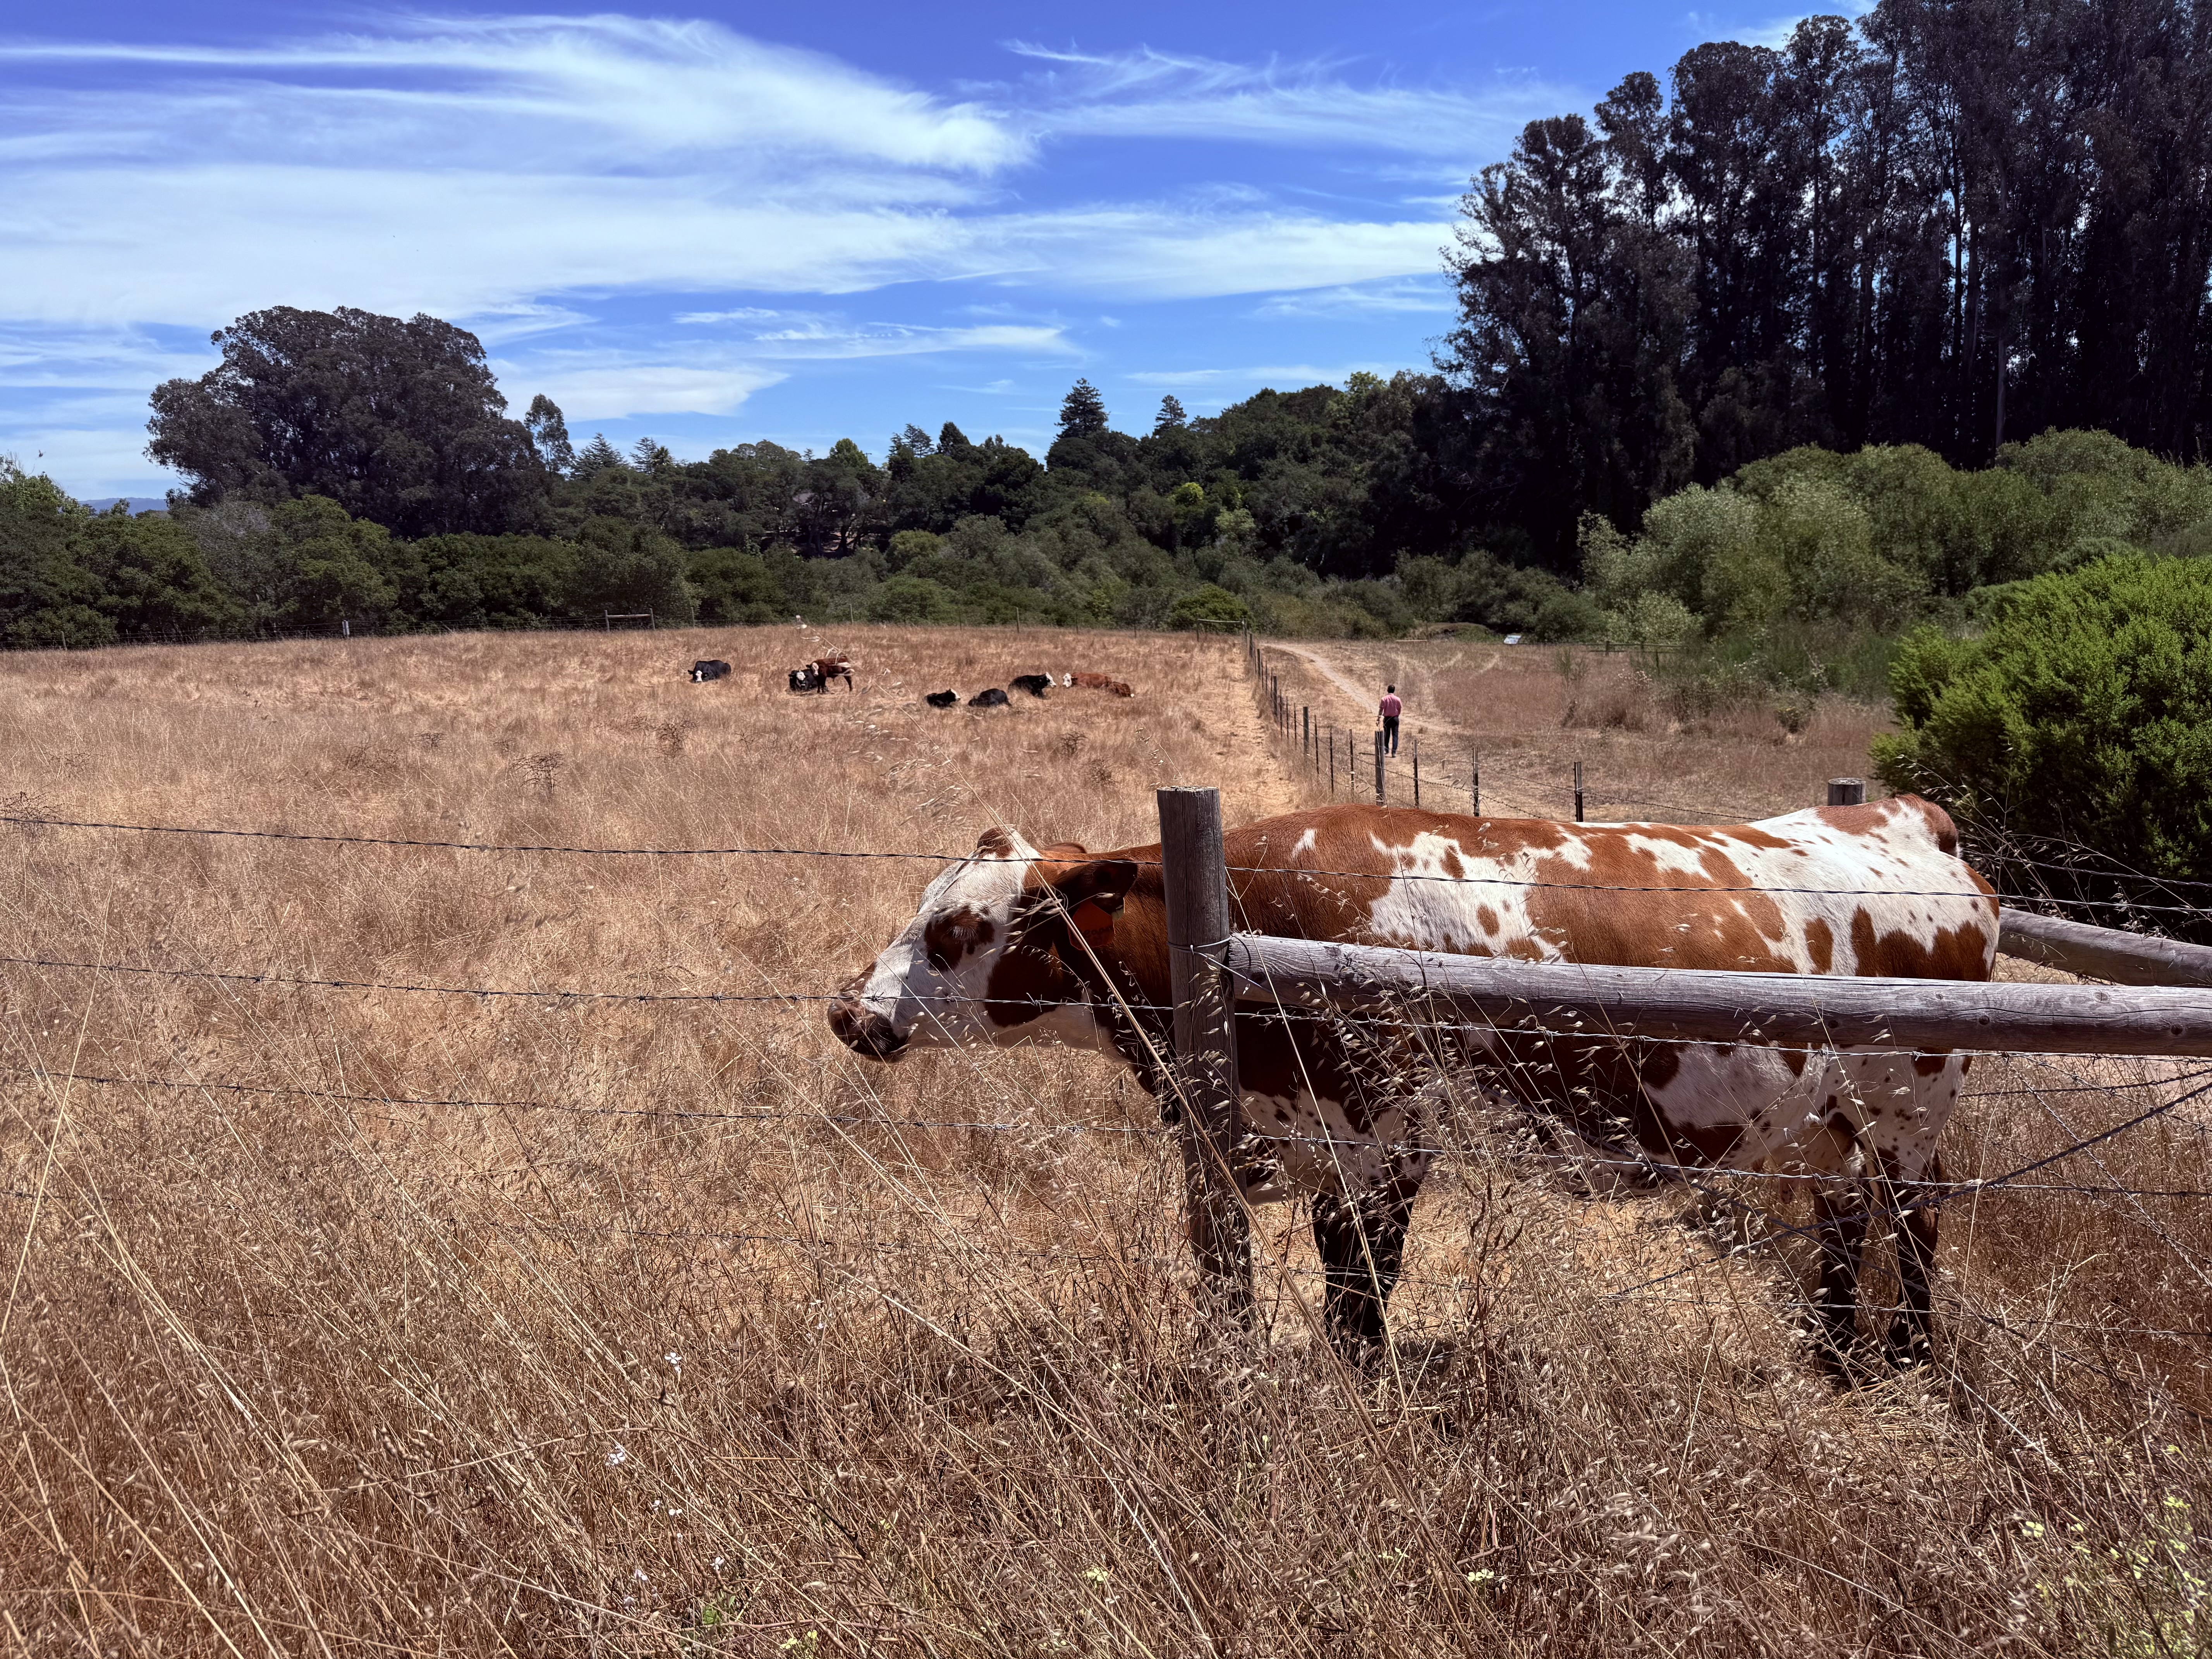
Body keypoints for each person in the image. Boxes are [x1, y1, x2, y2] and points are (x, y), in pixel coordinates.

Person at [1377, 684, 1402, 756]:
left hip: (1387, 718)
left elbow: (1381, 710)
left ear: (1388, 690)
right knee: (1395, 735)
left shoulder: (1384, 699)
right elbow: (1400, 709)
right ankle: (1394, 752)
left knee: (1387, 734)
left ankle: (1387, 750)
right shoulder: (1398, 699)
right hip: (1395, 718)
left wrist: (1378, 719)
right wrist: (1397, 715)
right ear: (1394, 691)